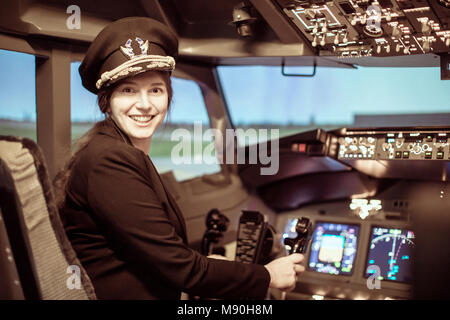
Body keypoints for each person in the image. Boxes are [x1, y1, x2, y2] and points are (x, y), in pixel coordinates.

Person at [56, 16, 305, 300]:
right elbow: (182, 270)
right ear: (107, 101)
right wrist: (269, 275)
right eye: (128, 90)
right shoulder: (109, 161)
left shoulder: (118, 149)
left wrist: (214, 266)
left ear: (168, 97)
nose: (145, 104)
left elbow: (157, 254)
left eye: (155, 90)